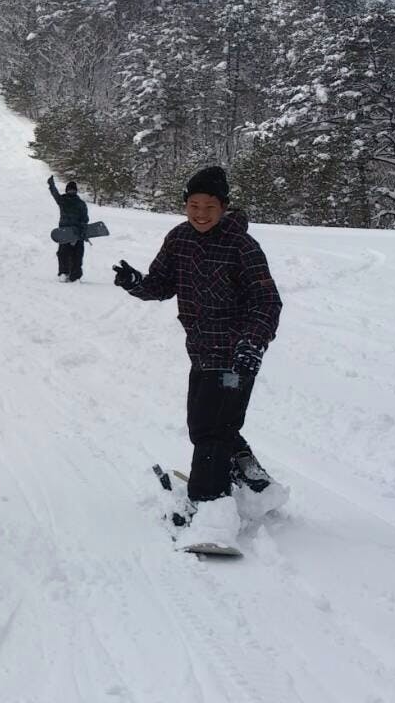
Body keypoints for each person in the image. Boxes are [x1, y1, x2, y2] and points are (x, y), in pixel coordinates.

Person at [111, 166, 286, 553]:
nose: (201, 213)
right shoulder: (179, 239)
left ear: (224, 206)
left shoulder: (242, 246)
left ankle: (212, 515)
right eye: (194, 205)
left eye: (210, 205)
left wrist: (252, 344)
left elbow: (267, 302)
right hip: (202, 351)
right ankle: (257, 483)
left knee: (210, 431)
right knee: (209, 426)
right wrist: (136, 283)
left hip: (237, 357)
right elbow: (161, 284)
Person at [47, 175, 88, 282]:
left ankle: (76, 275)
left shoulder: (81, 204)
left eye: (73, 190)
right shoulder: (62, 200)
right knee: (63, 254)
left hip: (77, 232)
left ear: (76, 191)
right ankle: (64, 273)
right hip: (64, 233)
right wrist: (51, 185)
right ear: (67, 190)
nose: (71, 191)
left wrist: (82, 230)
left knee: (77, 255)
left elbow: (85, 218)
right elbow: (55, 194)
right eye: (69, 189)